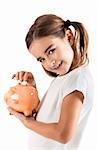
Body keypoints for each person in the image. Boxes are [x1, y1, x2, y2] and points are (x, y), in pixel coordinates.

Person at [8, 14, 94, 149]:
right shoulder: (66, 77)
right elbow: (48, 118)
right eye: (41, 59)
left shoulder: (76, 81)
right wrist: (32, 90)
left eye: (51, 51)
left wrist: (26, 122)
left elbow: (63, 134)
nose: (50, 63)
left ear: (69, 37)